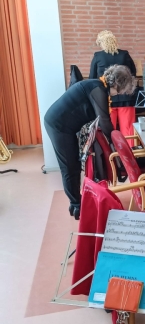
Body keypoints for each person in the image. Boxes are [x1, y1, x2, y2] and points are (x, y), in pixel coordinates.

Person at [44, 65, 135, 219]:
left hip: (66, 127)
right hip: (58, 125)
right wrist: (117, 146)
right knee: (69, 166)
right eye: (124, 89)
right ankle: (76, 205)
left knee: (73, 164)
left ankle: (78, 202)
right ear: (119, 84)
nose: (122, 94)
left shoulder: (99, 88)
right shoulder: (97, 89)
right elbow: (104, 122)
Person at [89, 30, 137, 139]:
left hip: (106, 99)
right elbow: (132, 74)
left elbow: (92, 79)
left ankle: (111, 155)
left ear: (101, 43)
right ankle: (130, 154)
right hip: (126, 98)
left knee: (109, 131)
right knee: (128, 130)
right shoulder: (124, 54)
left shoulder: (98, 56)